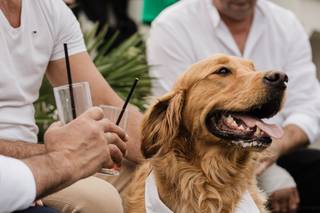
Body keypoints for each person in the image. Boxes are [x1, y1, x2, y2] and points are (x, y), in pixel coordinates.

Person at [147, 0, 320, 212]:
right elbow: (180, 113)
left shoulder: (286, 23)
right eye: (222, 72)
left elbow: (308, 108)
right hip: (197, 157)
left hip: (275, 146)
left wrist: (275, 151)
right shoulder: (173, 24)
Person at [0, 0, 143, 212]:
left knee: (150, 179)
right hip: (14, 170)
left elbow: (105, 102)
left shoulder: (51, 9)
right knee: (101, 200)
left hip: (45, 158)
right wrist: (57, 156)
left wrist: (176, 153)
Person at [1, 107, 127, 212]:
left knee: (138, 174)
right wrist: (63, 155)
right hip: (14, 169)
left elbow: (105, 97)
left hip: (39, 160)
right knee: (102, 199)